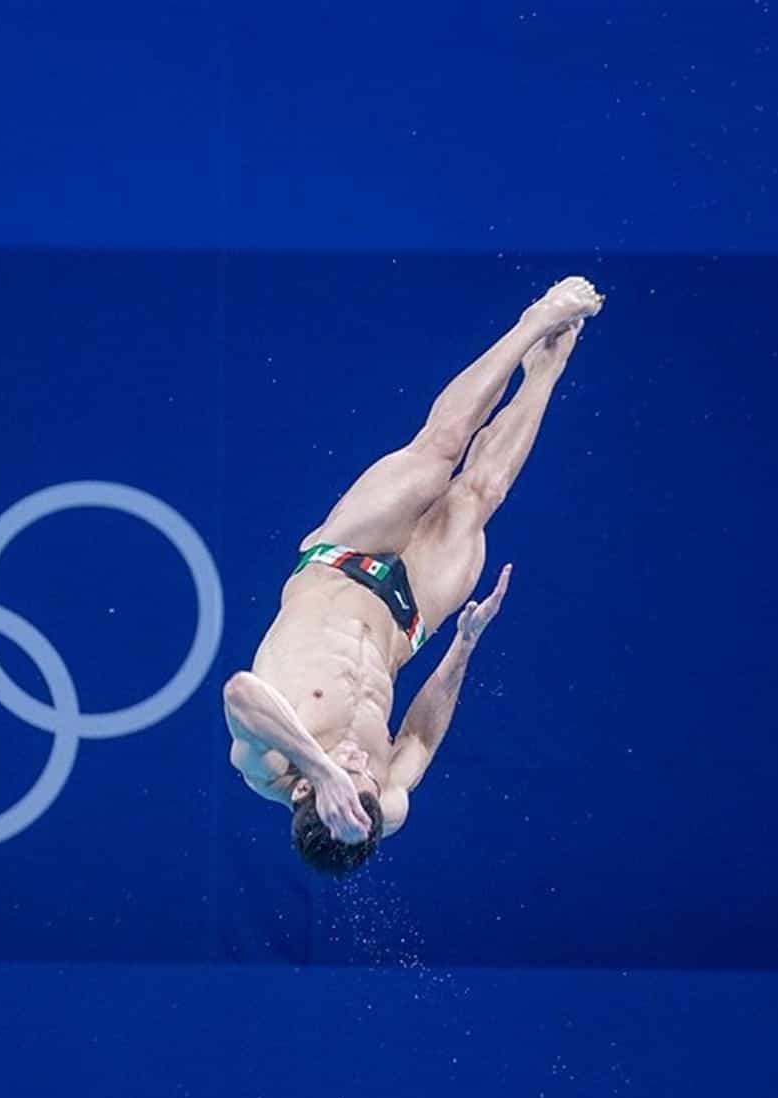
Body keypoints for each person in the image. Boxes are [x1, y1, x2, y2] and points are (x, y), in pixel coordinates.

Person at [223, 276, 602, 874]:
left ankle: (534, 319)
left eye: (347, 775)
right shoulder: (387, 806)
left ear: (305, 792)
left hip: (339, 563)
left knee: (439, 450)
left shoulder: (269, 766)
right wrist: (464, 647)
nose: (359, 763)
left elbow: (239, 692)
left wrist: (323, 768)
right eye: (365, 779)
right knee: (481, 493)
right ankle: (548, 365)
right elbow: (420, 738)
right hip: (410, 618)